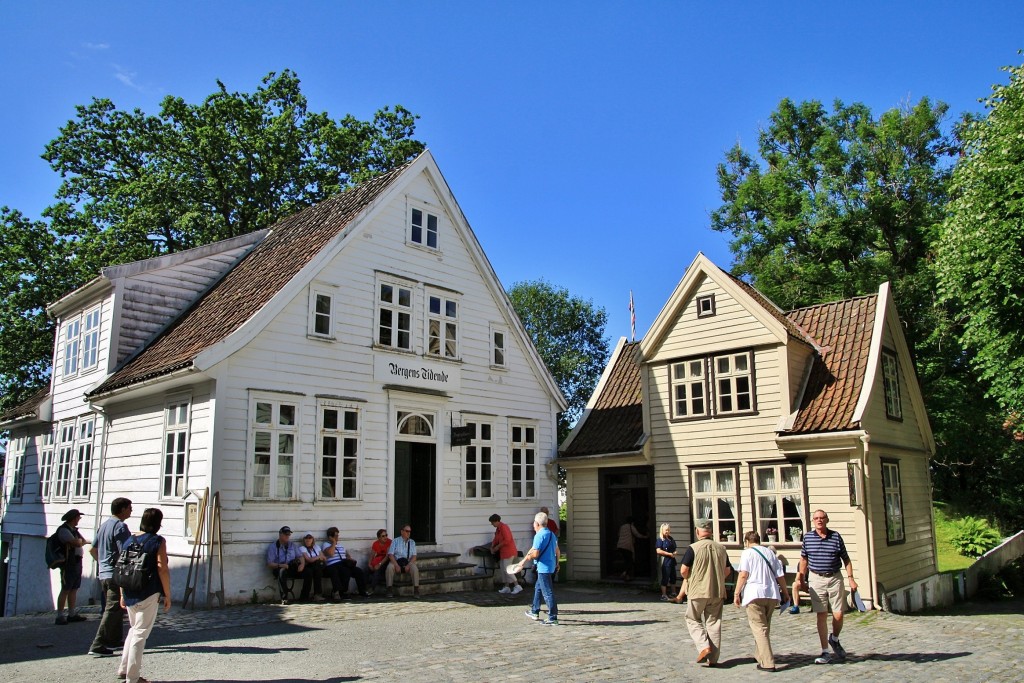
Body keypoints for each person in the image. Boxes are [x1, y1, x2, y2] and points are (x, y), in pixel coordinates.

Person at [794, 509, 857, 665]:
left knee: (839, 614)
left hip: (835, 577)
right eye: (816, 518)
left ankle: (834, 639)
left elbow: (846, 560)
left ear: (827, 520)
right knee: (821, 614)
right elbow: (803, 560)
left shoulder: (835, 537)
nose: (819, 520)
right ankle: (825, 651)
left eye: (822, 518)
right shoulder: (808, 538)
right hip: (816, 578)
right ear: (813, 521)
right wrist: (801, 579)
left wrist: (851, 579)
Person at [116, 507, 171, 683]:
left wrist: (122, 593)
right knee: (140, 633)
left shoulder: (129, 540)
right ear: (158, 524)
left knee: (134, 629)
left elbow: (122, 567)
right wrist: (167, 594)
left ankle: (124, 669)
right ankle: (132, 677)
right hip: (148, 590)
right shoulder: (157, 541)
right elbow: (162, 568)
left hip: (130, 588)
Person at [734, 531, 791, 672]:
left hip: (754, 593)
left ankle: (768, 662)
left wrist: (736, 593)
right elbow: (780, 575)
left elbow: (743, 575)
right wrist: (785, 591)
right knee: (765, 626)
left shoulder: (747, 553)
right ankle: (759, 655)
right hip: (771, 593)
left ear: (747, 541)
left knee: (759, 628)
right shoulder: (769, 553)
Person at [680, 518, 733, 666]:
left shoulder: (693, 548)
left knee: (692, 618)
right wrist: (717, 578)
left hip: (698, 590)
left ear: (697, 531)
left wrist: (689, 578)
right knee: (714, 623)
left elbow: (684, 570)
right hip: (717, 591)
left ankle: (703, 647)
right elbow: (727, 570)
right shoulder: (721, 548)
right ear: (710, 531)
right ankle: (713, 659)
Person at [89, 497, 133, 655]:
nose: (131, 510)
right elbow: (125, 552)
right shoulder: (120, 527)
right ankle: (98, 644)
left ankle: (114, 640)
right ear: (122, 510)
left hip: (104, 573)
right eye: (129, 508)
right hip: (114, 574)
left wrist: (103, 564)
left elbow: (92, 550)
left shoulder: (104, 525)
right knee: (112, 608)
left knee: (117, 608)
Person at [522, 511, 559, 625]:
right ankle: (535, 611)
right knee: (538, 588)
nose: (533, 525)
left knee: (547, 592)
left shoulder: (539, 535)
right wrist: (558, 564)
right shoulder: (551, 534)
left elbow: (536, 553)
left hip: (543, 567)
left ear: (537, 523)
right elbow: (557, 551)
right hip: (551, 566)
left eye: (534, 522)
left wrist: (528, 557)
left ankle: (553, 617)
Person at [55, 509, 89, 625]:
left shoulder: (74, 530)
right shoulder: (64, 530)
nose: (79, 520)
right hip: (68, 562)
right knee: (66, 588)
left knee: (74, 588)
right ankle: (60, 615)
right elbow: (77, 543)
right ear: (73, 518)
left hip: (77, 561)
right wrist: (78, 541)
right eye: (78, 518)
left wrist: (79, 541)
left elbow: (82, 541)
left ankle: (72, 613)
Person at [323, 527, 370, 599]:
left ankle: (362, 591)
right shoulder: (326, 544)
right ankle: (339, 592)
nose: (337, 537)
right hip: (333, 565)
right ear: (330, 537)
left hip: (343, 564)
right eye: (335, 536)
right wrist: (334, 543)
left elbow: (346, 554)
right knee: (345, 571)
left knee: (358, 571)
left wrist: (350, 559)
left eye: (337, 535)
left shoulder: (341, 546)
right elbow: (331, 554)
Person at [265, 526, 302, 604]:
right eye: (286, 534)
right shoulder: (273, 547)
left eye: (289, 534)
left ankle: (305, 597)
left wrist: (302, 565)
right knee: (281, 572)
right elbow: (269, 564)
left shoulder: (292, 545)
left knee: (308, 571)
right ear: (280, 534)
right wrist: (281, 565)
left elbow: (300, 556)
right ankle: (284, 599)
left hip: (291, 567)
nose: (288, 536)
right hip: (279, 568)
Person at [489, 513, 522, 595]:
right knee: (503, 569)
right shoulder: (498, 529)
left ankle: (517, 585)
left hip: (509, 552)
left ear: (496, 521)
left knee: (507, 569)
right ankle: (506, 587)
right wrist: (492, 546)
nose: (492, 524)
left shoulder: (504, 527)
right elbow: (496, 539)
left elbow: (507, 540)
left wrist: (497, 547)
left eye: (492, 522)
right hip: (503, 552)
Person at [386, 523, 420, 598]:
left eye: (410, 531)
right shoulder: (395, 541)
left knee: (415, 569)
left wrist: (409, 565)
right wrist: (396, 565)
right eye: (407, 531)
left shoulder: (412, 542)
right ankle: (389, 588)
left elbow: (414, 556)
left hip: (407, 561)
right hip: (396, 560)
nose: (408, 533)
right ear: (402, 531)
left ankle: (416, 589)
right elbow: (390, 554)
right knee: (389, 568)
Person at [616, 515, 648, 581]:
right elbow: (637, 534)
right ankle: (624, 573)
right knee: (630, 561)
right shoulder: (631, 526)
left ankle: (627, 576)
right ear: (632, 522)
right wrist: (645, 537)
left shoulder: (622, 526)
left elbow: (618, 534)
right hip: (627, 546)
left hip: (620, 546)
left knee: (626, 561)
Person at [297, 533, 327, 602]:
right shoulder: (302, 548)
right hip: (308, 566)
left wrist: (316, 558)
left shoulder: (316, 547)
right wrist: (319, 557)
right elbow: (308, 560)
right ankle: (306, 596)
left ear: (313, 539)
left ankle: (317, 595)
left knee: (318, 571)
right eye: (306, 538)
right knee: (311, 572)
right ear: (304, 540)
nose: (308, 540)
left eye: (310, 538)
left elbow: (324, 558)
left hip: (318, 566)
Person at [655, 522, 677, 601]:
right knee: (665, 577)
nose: (667, 531)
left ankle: (673, 592)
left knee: (673, 576)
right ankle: (663, 594)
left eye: (668, 530)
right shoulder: (660, 540)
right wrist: (668, 554)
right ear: (662, 530)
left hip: (672, 560)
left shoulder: (671, 539)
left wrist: (674, 553)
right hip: (665, 560)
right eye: (666, 530)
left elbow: (674, 548)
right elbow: (658, 551)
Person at [367, 528, 391, 592]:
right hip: (379, 559)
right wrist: (369, 564)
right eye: (383, 536)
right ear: (379, 538)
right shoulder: (376, 543)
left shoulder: (389, 542)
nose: (385, 537)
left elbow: (387, 556)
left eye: (386, 535)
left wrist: (379, 564)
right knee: (367, 570)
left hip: (387, 561)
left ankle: (372, 588)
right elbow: (372, 555)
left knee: (378, 570)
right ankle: (361, 588)